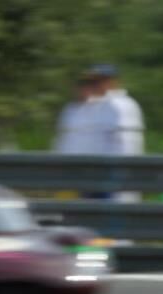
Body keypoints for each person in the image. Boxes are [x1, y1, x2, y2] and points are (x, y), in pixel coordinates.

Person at [88, 63, 144, 202]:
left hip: (114, 178)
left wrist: (121, 179)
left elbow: (127, 144)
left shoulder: (120, 105)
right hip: (98, 176)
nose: (94, 85)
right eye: (93, 81)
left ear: (112, 82)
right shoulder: (100, 104)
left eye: (99, 81)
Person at [53, 75, 99, 155]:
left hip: (91, 159)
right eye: (81, 86)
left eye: (88, 86)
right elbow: (60, 136)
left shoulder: (100, 108)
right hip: (67, 158)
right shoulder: (68, 109)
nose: (84, 90)